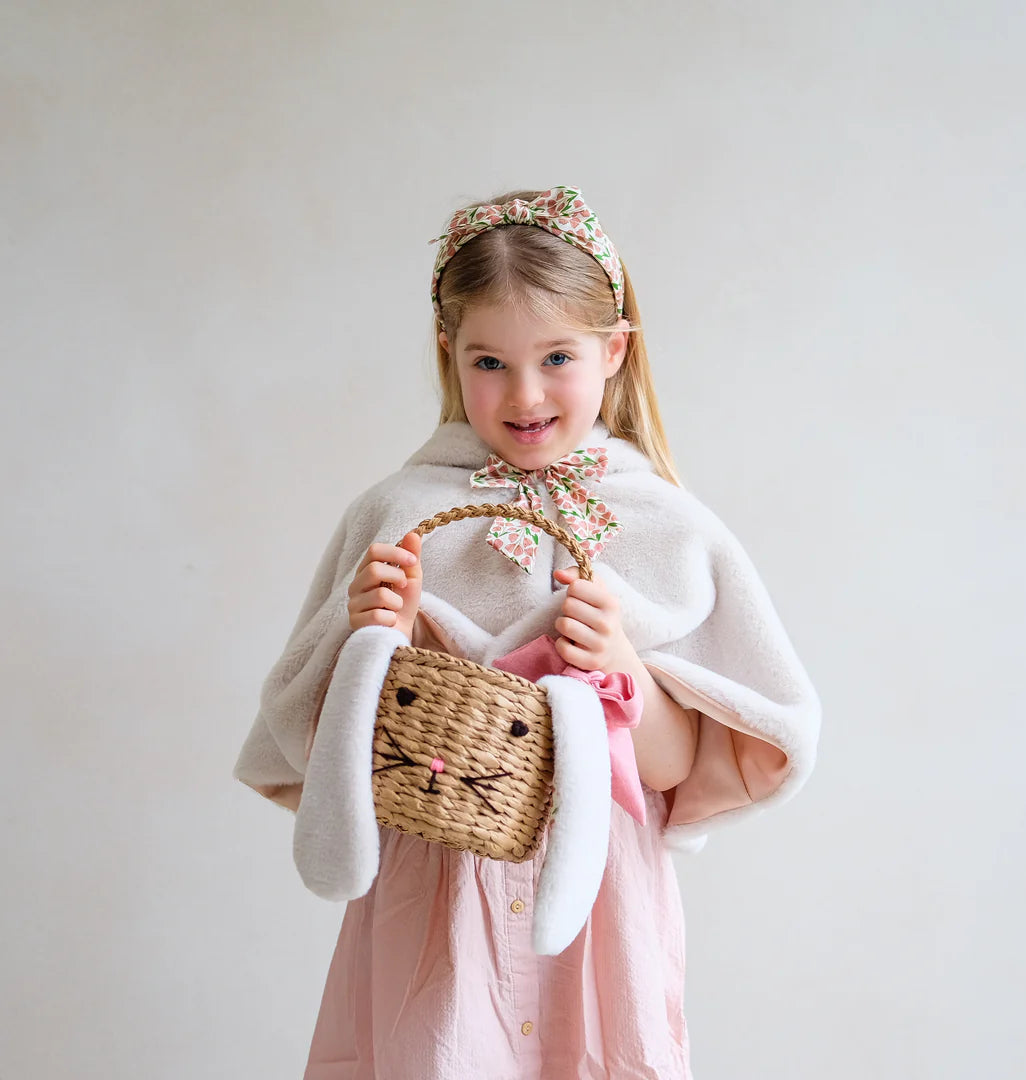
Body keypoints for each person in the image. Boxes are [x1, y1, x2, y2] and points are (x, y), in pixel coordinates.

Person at [233, 185, 823, 1079]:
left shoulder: (667, 528)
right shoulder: (398, 514)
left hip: (595, 907)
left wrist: (624, 668)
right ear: (448, 351)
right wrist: (372, 641)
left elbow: (673, 770)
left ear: (614, 350)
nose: (525, 393)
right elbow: (323, 744)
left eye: (557, 356)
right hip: (430, 903)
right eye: (489, 362)